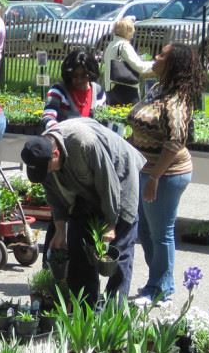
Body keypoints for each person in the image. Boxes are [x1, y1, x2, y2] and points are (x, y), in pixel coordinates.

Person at [20, 119, 144, 304]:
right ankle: (85, 311)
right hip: (85, 188)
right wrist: (60, 230)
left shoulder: (83, 142)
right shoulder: (42, 158)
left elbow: (108, 182)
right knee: (77, 246)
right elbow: (53, 194)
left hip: (120, 177)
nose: (44, 173)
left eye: (46, 169)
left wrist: (111, 223)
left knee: (118, 250)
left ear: (55, 153)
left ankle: (114, 314)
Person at [128, 43, 202, 305]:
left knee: (161, 233)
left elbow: (175, 142)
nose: (155, 57)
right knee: (147, 232)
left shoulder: (176, 99)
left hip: (166, 175)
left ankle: (162, 288)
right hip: (146, 170)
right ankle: (157, 282)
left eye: (161, 55)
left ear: (172, 65)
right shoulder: (158, 89)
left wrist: (156, 178)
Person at [43, 48, 106, 127]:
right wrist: (57, 130)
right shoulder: (58, 91)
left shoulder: (98, 92)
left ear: (91, 74)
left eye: (84, 76)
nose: (79, 80)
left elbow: (103, 120)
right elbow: (48, 116)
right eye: (74, 76)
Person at [100, 17, 153, 106]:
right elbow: (140, 67)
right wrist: (156, 64)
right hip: (125, 89)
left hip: (110, 88)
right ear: (128, 30)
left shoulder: (111, 45)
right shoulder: (124, 46)